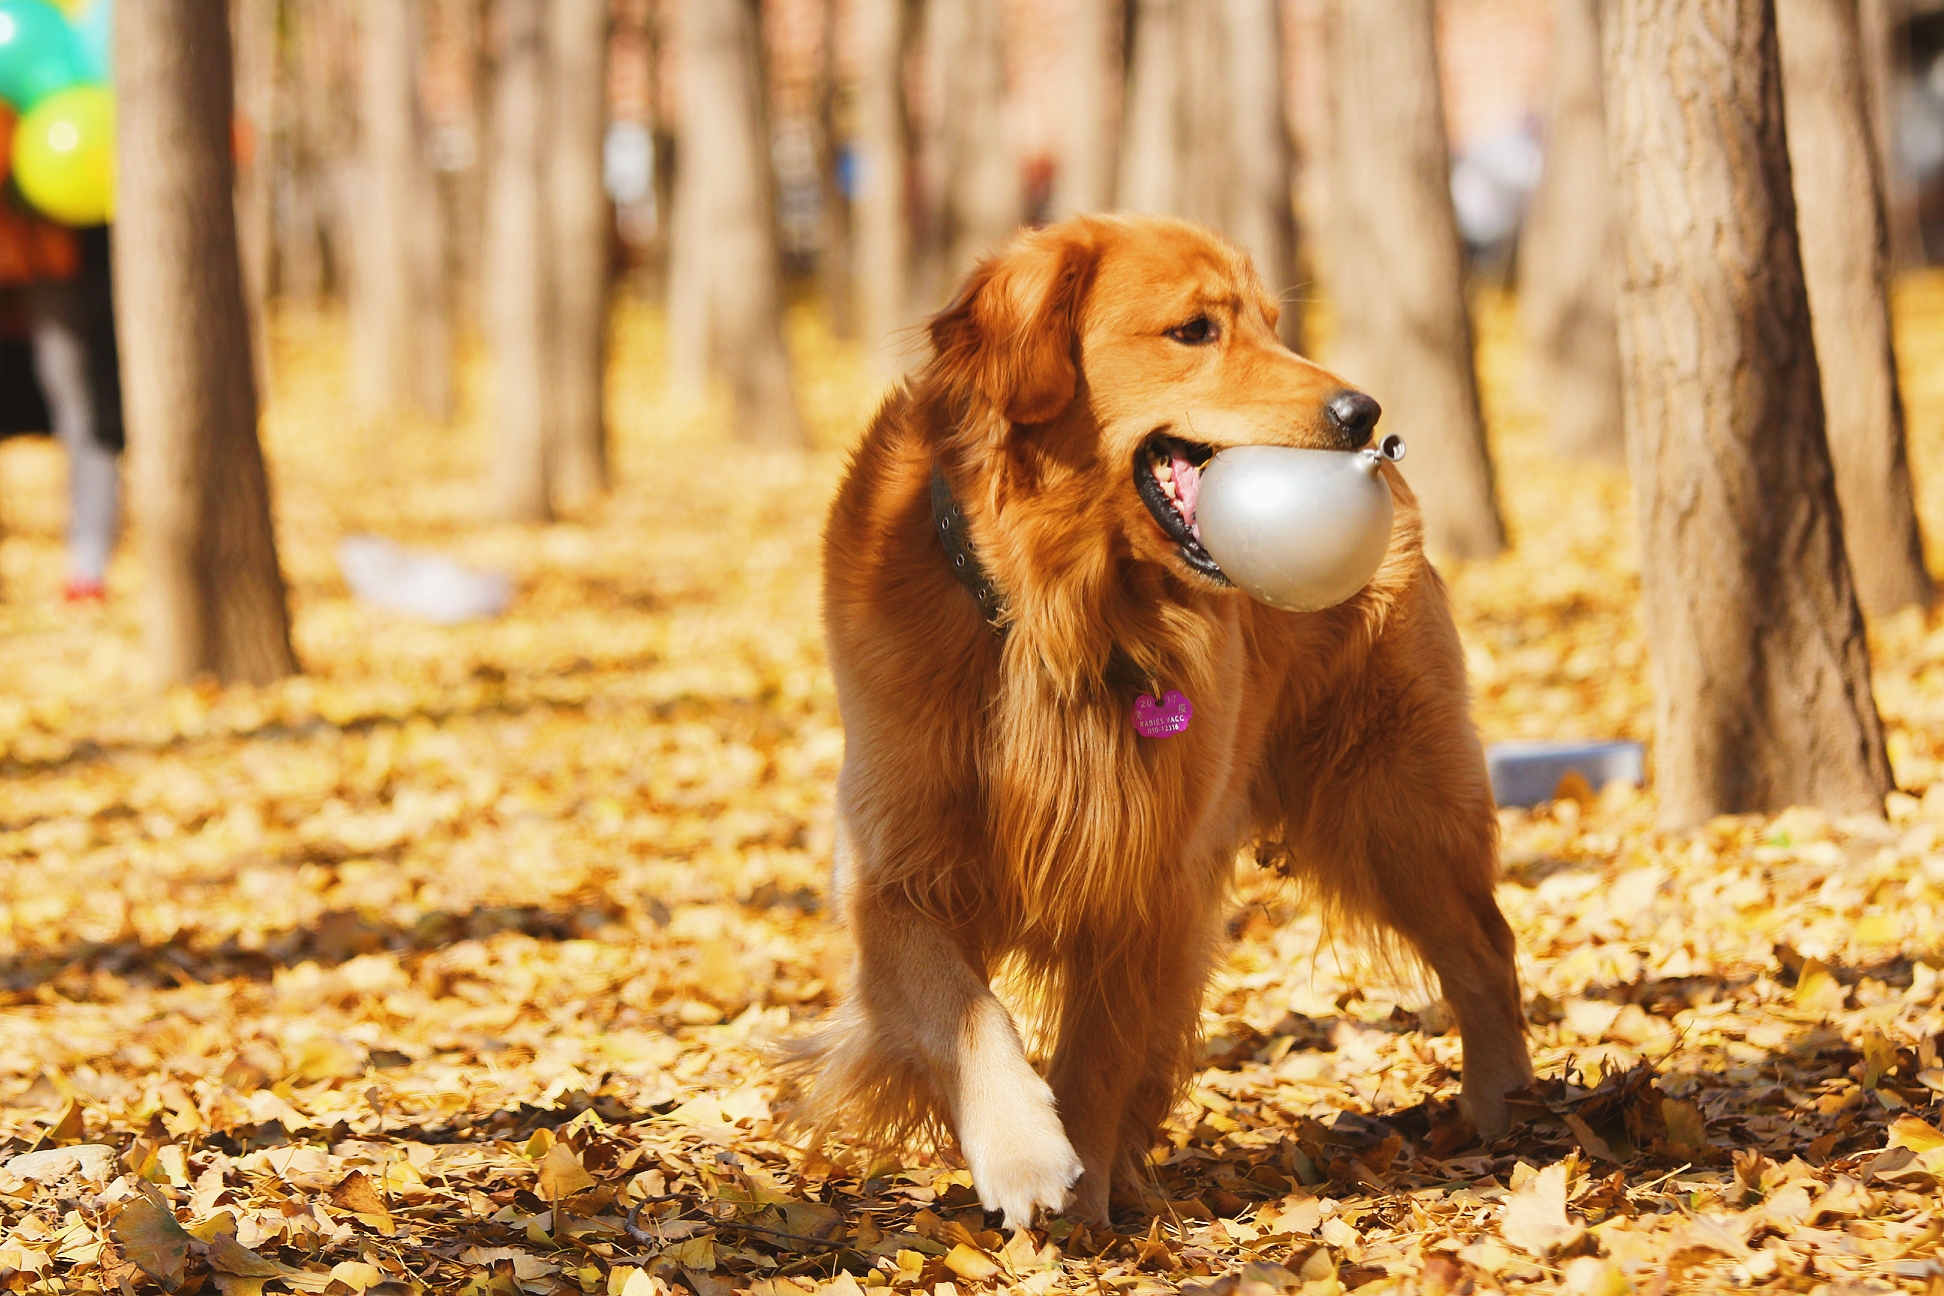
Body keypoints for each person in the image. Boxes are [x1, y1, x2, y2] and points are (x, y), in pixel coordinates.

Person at [0, 205, 122, 602]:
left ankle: (88, 568)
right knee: (79, 402)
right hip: (42, 247)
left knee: (87, 407)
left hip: (71, 247)